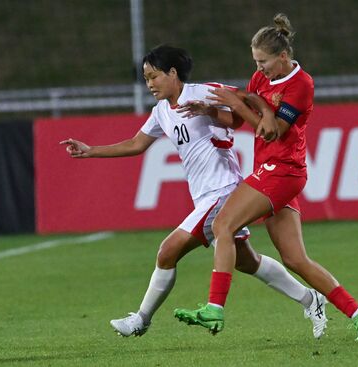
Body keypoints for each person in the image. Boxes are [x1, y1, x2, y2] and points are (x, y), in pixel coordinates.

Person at [60, 44, 328, 339]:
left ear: (173, 73)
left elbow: (247, 98)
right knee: (246, 261)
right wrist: (91, 151)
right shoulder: (162, 111)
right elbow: (137, 144)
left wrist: (238, 113)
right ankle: (310, 299)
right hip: (203, 194)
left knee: (167, 251)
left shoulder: (201, 92)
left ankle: (141, 319)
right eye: (146, 79)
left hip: (223, 189)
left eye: (154, 76)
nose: (149, 84)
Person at [174, 14, 358, 342]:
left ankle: (215, 307)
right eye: (255, 62)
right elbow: (243, 119)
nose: (259, 69)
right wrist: (213, 111)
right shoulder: (260, 79)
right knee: (295, 258)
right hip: (271, 171)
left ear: (283, 57)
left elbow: (271, 131)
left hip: (283, 170)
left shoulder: (302, 84)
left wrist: (241, 104)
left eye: (264, 62)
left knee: (222, 226)